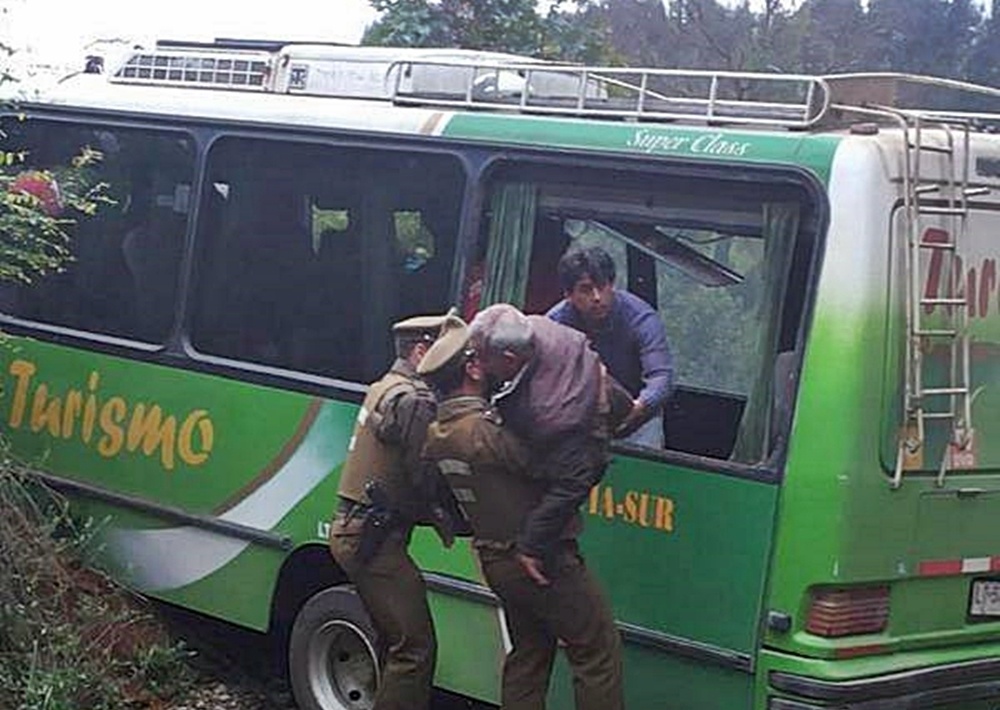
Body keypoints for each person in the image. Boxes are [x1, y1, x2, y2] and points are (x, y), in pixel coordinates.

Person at [418, 316, 625, 710]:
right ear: (472, 369)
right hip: (542, 562)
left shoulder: (439, 434)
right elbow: (559, 468)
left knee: (529, 655)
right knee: (595, 650)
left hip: (496, 560)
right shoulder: (485, 433)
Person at [327, 311, 460, 710]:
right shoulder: (414, 401)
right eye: (444, 354)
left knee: (393, 641)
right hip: (373, 537)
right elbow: (426, 475)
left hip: (360, 531)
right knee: (415, 648)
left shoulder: (385, 387)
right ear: (422, 351)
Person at [468, 304, 630, 587]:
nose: (477, 365)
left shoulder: (546, 415)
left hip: (571, 468)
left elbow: (573, 484)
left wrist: (531, 544)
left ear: (509, 359)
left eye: (481, 358)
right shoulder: (536, 327)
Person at [547, 246, 674, 449]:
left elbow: (662, 378)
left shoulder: (641, 319)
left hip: (637, 421)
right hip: (579, 418)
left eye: (602, 286)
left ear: (612, 284)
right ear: (568, 295)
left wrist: (638, 408)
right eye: (586, 289)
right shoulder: (555, 323)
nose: (597, 297)